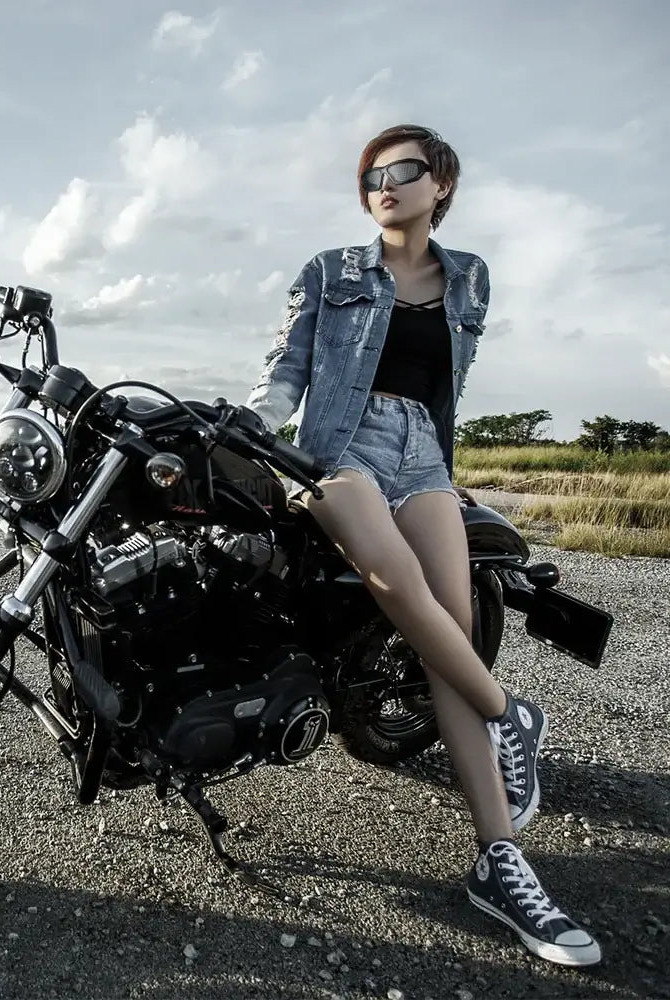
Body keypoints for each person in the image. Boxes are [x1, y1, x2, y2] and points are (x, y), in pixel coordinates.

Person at [244, 124, 600, 967]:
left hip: (424, 458)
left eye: (402, 170)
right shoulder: (330, 271)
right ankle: (511, 712)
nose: (384, 184)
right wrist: (253, 424)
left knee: (446, 633)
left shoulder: (471, 277)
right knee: (395, 581)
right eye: (371, 174)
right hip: (339, 449)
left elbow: (447, 387)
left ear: (440, 183)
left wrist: (447, 474)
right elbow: (286, 371)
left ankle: (501, 862)